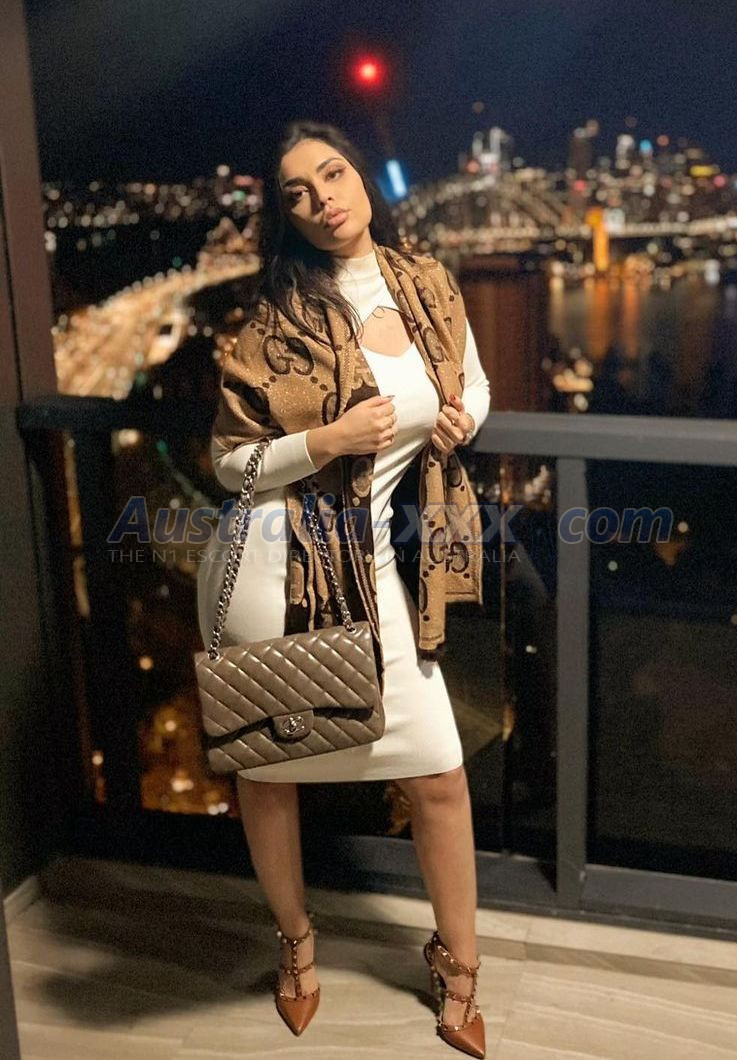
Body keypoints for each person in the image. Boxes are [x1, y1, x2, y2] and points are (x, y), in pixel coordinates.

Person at [196, 120, 490, 1058]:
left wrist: (460, 420)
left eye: (332, 173)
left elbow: (472, 383)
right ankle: (294, 945)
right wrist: (323, 442)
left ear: (362, 178)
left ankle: (458, 963)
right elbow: (227, 463)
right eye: (297, 191)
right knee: (269, 777)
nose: (323, 197)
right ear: (285, 215)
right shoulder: (272, 318)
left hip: (373, 570)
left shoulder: (427, 283)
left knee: (437, 774)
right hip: (269, 567)